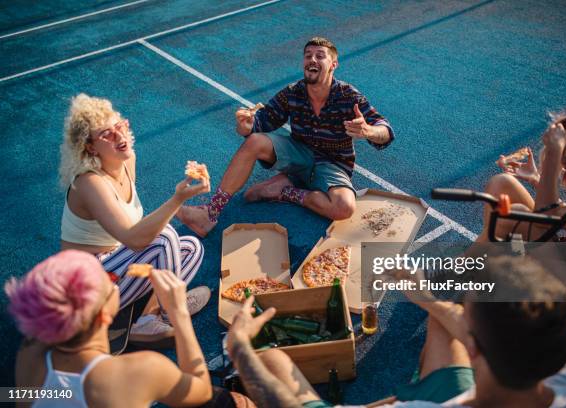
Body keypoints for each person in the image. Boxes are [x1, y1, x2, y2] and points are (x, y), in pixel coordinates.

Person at [225, 256, 566, 407]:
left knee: (272, 359)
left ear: (474, 348)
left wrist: (240, 347)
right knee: (440, 324)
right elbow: (459, 322)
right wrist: (425, 297)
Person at [177, 37, 395, 237]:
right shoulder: (292, 92)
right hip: (298, 155)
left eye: (320, 56)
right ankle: (210, 213)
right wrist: (246, 127)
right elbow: (262, 123)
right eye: (308, 55)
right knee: (254, 141)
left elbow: (385, 131)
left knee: (344, 208)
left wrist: (368, 131)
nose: (312, 59)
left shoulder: (349, 96)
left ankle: (286, 191)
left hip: (332, 164)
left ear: (333, 65)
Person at [59, 94, 210, 343]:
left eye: (120, 126)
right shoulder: (88, 182)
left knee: (192, 248)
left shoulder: (127, 161)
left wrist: (178, 201)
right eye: (106, 134)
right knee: (164, 238)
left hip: (116, 263)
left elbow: (135, 234)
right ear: (90, 147)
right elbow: (135, 238)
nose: (119, 136)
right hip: (84, 288)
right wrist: (178, 199)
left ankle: (150, 317)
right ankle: (171, 312)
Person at [5, 250, 213, 407]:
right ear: (104, 314)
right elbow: (202, 390)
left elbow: (11, 395)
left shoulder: (29, 351)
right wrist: (179, 315)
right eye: (111, 281)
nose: (115, 281)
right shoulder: (144, 371)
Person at [481, 107, 566, 242]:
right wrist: (536, 179)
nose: (565, 161)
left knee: (513, 215)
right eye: (563, 151)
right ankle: (494, 253)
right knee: (502, 183)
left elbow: (546, 217)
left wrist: (553, 154)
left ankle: (468, 262)